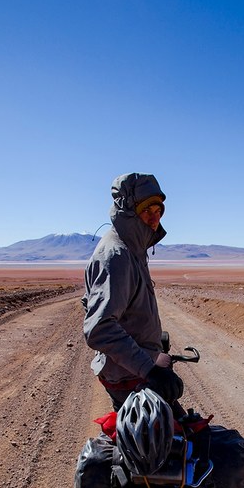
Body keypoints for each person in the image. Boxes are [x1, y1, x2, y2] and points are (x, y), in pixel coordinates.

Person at [83, 172, 184, 409]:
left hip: (133, 372)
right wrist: (149, 369)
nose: (154, 218)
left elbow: (98, 302)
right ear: (128, 210)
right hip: (131, 378)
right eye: (147, 210)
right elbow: (99, 327)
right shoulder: (117, 255)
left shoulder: (133, 248)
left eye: (159, 211)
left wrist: (147, 339)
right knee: (170, 441)